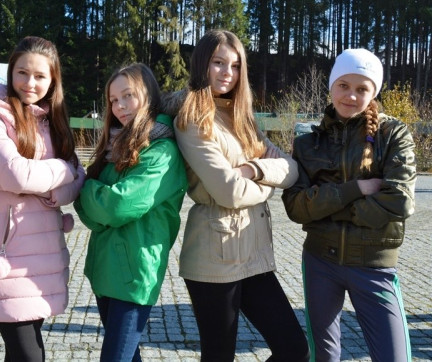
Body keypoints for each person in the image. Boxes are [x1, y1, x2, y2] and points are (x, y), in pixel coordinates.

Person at [166, 29, 309, 361]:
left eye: (235, 65)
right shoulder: (192, 119)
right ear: (202, 64)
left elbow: (292, 170)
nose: (227, 73)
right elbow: (229, 192)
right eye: (218, 63)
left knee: (295, 349)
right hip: (214, 255)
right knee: (219, 356)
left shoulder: (242, 119)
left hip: (254, 254)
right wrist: (267, 179)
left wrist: (254, 170)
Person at [282, 48, 416, 362]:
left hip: (374, 266)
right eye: (343, 85)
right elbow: (296, 207)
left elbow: (400, 200)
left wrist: (327, 205)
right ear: (331, 85)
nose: (351, 96)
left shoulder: (393, 134)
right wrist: (357, 189)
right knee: (325, 357)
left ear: (373, 92)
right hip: (320, 264)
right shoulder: (307, 143)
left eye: (361, 88)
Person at [0, 36, 85, 361]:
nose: (29, 83)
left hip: (45, 256)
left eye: (39, 76)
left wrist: (53, 188)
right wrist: (63, 170)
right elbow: (16, 175)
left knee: (22, 354)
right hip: (7, 257)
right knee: (30, 355)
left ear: (53, 81)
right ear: (11, 72)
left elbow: (79, 180)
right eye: (22, 73)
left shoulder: (53, 121)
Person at [74, 63, 187, 362]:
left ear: (148, 95)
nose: (120, 106)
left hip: (134, 275)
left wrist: (87, 189)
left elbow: (117, 206)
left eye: (128, 96)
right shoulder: (114, 147)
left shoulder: (162, 151)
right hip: (104, 269)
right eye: (113, 100)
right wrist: (95, 202)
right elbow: (89, 212)